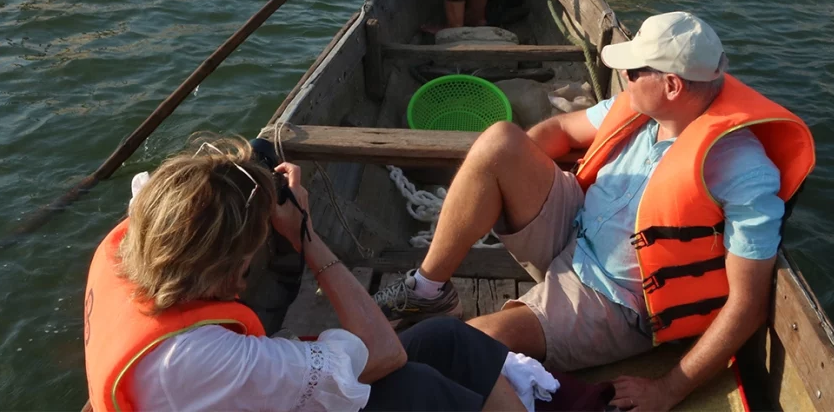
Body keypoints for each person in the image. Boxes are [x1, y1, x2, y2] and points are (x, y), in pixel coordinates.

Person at [374, 12, 816, 411]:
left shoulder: (744, 171)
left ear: (672, 85)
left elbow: (747, 303)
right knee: (499, 141)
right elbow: (561, 128)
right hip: (576, 228)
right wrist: (496, 183)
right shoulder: (646, 109)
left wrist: (668, 388)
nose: (621, 75)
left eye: (633, 70)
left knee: (473, 344)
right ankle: (428, 290)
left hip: (612, 297)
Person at [83, 134, 529, 411]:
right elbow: (383, 354)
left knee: (444, 339)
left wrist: (252, 179)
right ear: (232, 271)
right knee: (414, 388)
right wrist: (307, 238)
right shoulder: (204, 359)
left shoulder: (130, 248)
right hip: (208, 385)